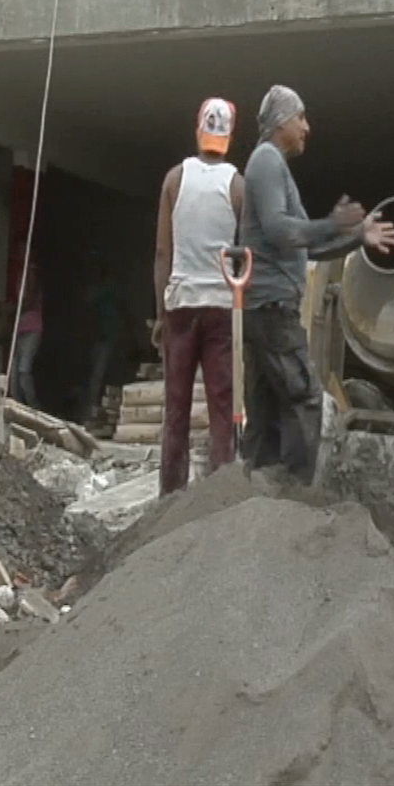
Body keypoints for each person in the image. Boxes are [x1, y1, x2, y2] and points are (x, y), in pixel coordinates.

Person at [239, 85, 394, 483]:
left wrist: (357, 235)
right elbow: (280, 231)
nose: (307, 128)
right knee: (304, 398)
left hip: (265, 308)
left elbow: (305, 246)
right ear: (281, 122)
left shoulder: (270, 165)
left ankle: (252, 497)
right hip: (274, 308)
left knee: (264, 412)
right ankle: (297, 494)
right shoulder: (266, 161)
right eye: (301, 117)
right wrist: (333, 223)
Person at [152, 98, 243, 496]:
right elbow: (247, 251)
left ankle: (171, 496)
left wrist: (160, 314)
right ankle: (219, 494)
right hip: (221, 306)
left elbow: (163, 253)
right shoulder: (237, 185)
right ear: (229, 137)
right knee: (222, 405)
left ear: (198, 130)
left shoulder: (175, 179)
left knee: (177, 408)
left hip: (182, 304)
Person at [81, 255, 125, 423]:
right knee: (97, 375)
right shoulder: (107, 290)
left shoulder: (107, 289)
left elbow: (88, 299)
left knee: (99, 376)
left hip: (107, 337)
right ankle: (96, 410)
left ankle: (96, 411)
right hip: (101, 337)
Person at [10, 261, 43, 408]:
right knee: (13, 375)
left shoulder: (32, 276)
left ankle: (33, 407)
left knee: (23, 371)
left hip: (32, 329)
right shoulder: (20, 275)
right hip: (20, 329)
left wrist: (13, 309)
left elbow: (29, 300)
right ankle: (18, 407)